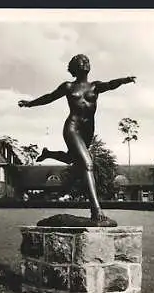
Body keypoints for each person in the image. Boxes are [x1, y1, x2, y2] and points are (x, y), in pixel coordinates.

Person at [18, 54, 135, 225]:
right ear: (74, 67)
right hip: (72, 128)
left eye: (87, 60)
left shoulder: (95, 86)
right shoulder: (68, 86)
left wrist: (124, 80)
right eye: (81, 61)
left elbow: (110, 85)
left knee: (73, 159)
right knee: (88, 164)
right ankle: (96, 212)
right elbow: (49, 97)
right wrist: (29, 103)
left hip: (88, 131)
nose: (85, 62)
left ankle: (48, 153)